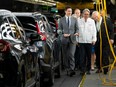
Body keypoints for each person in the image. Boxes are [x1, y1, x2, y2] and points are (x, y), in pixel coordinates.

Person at [58, 6, 79, 77]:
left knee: (71, 54)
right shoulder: (61, 19)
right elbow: (59, 30)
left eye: (71, 11)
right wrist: (63, 34)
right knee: (65, 55)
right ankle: (67, 69)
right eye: (68, 11)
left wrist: (77, 32)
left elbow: (77, 29)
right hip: (64, 39)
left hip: (73, 39)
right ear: (65, 11)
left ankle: (72, 69)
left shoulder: (74, 19)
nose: (70, 12)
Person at [78, 8, 97, 75]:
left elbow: (94, 31)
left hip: (89, 41)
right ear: (83, 14)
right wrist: (77, 40)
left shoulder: (91, 21)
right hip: (81, 42)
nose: (86, 15)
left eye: (87, 14)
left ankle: (88, 69)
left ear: (89, 15)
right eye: (85, 14)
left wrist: (94, 39)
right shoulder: (79, 21)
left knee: (89, 56)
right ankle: (82, 70)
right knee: (82, 56)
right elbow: (77, 31)